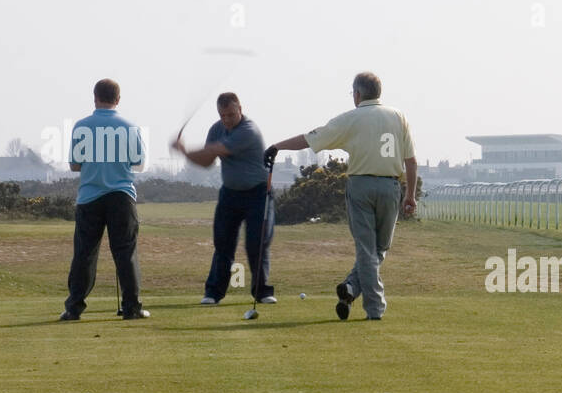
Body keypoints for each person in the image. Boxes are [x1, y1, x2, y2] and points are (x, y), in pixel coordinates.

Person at [266, 72, 417, 321]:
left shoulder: (350, 118)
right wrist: (410, 195)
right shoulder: (398, 116)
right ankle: (362, 296)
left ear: (357, 94)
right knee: (378, 249)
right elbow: (410, 161)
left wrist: (276, 146)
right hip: (391, 187)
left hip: (360, 186)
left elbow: (310, 138)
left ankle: (365, 300)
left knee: (369, 250)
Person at [170, 93, 275, 306]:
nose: (227, 120)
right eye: (223, 115)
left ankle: (262, 292)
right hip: (230, 193)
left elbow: (218, 149)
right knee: (223, 244)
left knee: (257, 243)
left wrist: (184, 148)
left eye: (231, 114)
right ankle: (213, 293)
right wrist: (186, 154)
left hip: (258, 193)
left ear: (240, 109)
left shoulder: (248, 130)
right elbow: (207, 161)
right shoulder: (216, 129)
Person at [61, 78, 148, 321]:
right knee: (125, 253)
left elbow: (74, 165)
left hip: (90, 197)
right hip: (122, 196)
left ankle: (74, 307)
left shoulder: (82, 127)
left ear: (95, 97)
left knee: (84, 254)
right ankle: (132, 307)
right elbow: (139, 165)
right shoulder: (131, 127)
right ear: (118, 99)